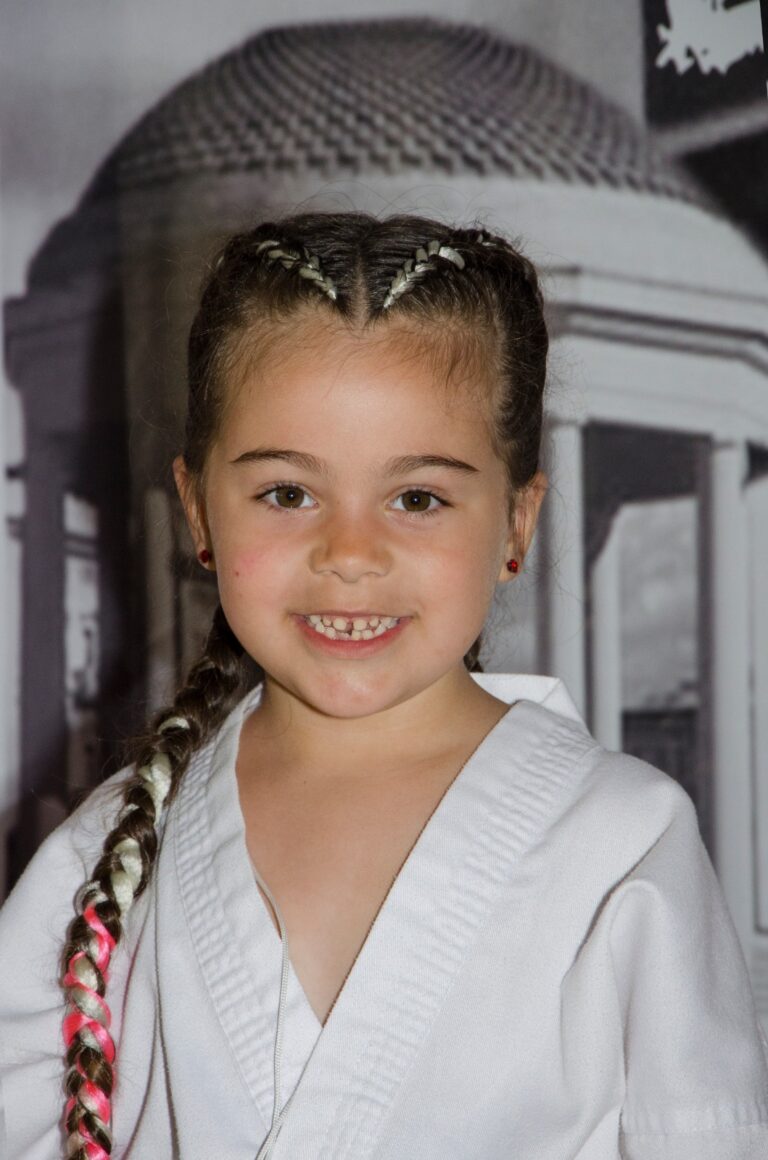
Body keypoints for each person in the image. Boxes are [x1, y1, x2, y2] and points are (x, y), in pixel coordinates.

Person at [1, 211, 767, 1160]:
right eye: (288, 493)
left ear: (517, 521)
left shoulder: (625, 844)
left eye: (418, 498)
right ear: (198, 511)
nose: (351, 553)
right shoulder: (105, 854)